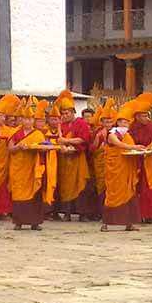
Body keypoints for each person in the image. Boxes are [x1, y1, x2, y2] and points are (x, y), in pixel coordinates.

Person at [101, 99, 147, 232]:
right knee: (112, 195)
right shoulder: (112, 134)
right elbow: (119, 145)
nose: (124, 124)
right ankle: (106, 223)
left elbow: (128, 150)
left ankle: (129, 223)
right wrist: (135, 147)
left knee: (130, 192)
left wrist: (139, 150)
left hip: (127, 169)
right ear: (117, 122)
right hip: (115, 170)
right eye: (122, 122)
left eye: (127, 122)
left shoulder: (127, 135)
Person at [8, 98, 50, 231]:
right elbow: (10, 149)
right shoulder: (16, 133)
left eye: (31, 119)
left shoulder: (38, 134)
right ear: (21, 120)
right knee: (18, 193)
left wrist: (36, 147)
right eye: (26, 119)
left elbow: (44, 149)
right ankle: (19, 222)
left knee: (34, 192)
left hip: (33, 168)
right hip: (19, 168)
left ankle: (35, 222)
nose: (28, 122)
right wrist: (19, 147)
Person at [53, 92, 92, 222]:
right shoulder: (61, 126)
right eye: (63, 113)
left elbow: (83, 139)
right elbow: (59, 141)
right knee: (65, 186)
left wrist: (67, 141)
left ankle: (82, 214)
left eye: (68, 112)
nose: (65, 115)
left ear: (73, 112)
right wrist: (62, 146)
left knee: (81, 185)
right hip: (65, 159)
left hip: (78, 158)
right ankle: (67, 213)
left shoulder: (81, 123)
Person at [129, 94, 152, 223]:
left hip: (150, 161)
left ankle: (150, 215)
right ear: (137, 116)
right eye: (143, 116)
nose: (146, 118)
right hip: (136, 160)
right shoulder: (132, 127)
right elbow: (129, 142)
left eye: (147, 115)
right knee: (138, 188)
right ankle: (138, 214)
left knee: (150, 189)